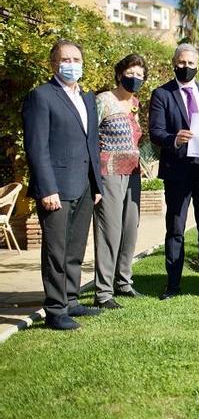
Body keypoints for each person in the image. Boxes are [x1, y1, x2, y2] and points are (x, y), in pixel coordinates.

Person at [23, 39, 104, 330]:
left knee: (74, 249)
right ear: (53, 63)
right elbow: (36, 147)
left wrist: (96, 185)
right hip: (56, 188)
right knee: (56, 251)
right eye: (65, 59)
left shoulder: (86, 99)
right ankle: (55, 310)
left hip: (83, 186)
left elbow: (91, 144)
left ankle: (71, 299)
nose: (72, 65)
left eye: (76, 59)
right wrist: (47, 189)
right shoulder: (41, 97)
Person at [148, 43, 199, 300]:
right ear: (174, 63)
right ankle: (173, 284)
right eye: (181, 63)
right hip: (177, 171)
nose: (186, 67)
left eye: (191, 64)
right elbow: (155, 133)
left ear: (197, 65)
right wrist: (174, 138)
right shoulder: (161, 94)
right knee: (176, 228)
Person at [92, 54, 148, 310]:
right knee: (109, 231)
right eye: (130, 73)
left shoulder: (135, 103)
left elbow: (137, 141)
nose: (134, 78)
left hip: (133, 173)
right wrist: (93, 179)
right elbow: (90, 138)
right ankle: (103, 292)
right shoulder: (103, 100)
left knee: (129, 228)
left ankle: (123, 281)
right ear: (119, 73)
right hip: (109, 172)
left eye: (139, 75)